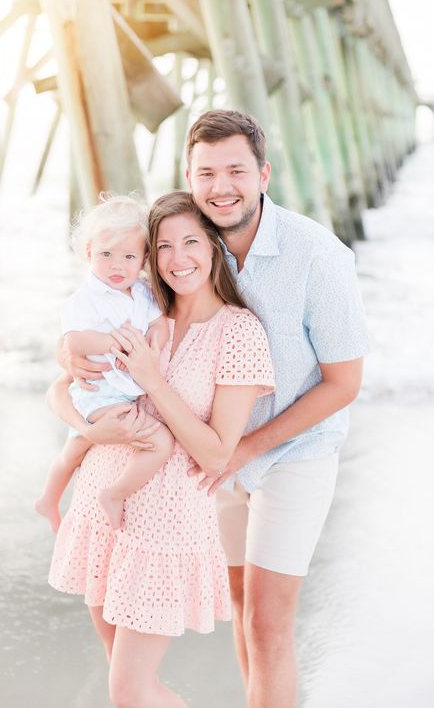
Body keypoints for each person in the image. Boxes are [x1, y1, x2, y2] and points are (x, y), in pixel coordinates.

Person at [65, 110, 370, 708]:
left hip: (288, 454)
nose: (221, 185)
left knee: (267, 623)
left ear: (264, 174)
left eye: (236, 170)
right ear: (188, 175)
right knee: (237, 608)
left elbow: (343, 382)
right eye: (207, 172)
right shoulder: (186, 246)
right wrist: (68, 350)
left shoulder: (317, 255)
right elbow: (105, 299)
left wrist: (244, 450)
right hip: (202, 448)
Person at [46, 191, 275, 708]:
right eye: (164, 245)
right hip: (104, 504)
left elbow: (218, 454)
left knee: (129, 692)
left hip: (165, 527)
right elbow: (59, 389)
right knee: (124, 685)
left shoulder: (239, 331)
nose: (178, 258)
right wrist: (88, 428)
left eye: (191, 242)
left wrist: (153, 378)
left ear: (214, 248)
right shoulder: (142, 307)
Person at [35, 194, 173, 533]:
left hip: (123, 390)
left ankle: (48, 501)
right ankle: (113, 494)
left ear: (143, 258)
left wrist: (156, 338)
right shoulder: (85, 299)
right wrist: (111, 343)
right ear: (88, 253)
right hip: (98, 391)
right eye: (106, 255)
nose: (117, 266)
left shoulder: (142, 292)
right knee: (159, 442)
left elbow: (160, 323)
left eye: (128, 256)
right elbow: (74, 342)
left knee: (77, 447)